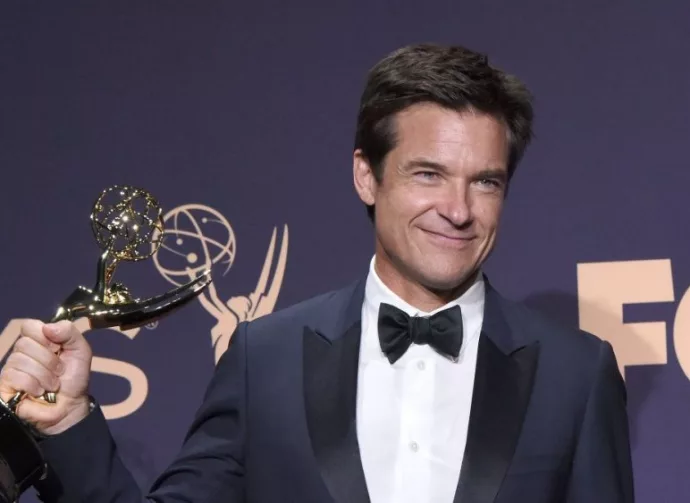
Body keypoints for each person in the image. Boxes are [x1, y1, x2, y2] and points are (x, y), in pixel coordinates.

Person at [0, 43, 634, 503]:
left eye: (486, 182)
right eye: (428, 174)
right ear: (366, 174)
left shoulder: (574, 376)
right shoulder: (264, 361)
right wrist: (70, 425)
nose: (459, 210)